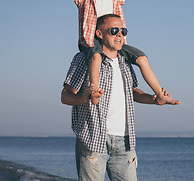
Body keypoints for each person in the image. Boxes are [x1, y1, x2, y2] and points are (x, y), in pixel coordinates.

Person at [29, 0, 171, 105]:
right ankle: (94, 89)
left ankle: (159, 94)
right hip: (92, 41)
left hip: (114, 42)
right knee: (96, 57)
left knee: (142, 58)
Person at [61, 14, 180, 181]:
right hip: (93, 139)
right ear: (99, 34)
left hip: (125, 141)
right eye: (114, 30)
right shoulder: (84, 59)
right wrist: (84, 98)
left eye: (123, 31)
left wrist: (155, 100)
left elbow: (132, 92)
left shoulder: (125, 61)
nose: (120, 35)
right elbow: (65, 96)